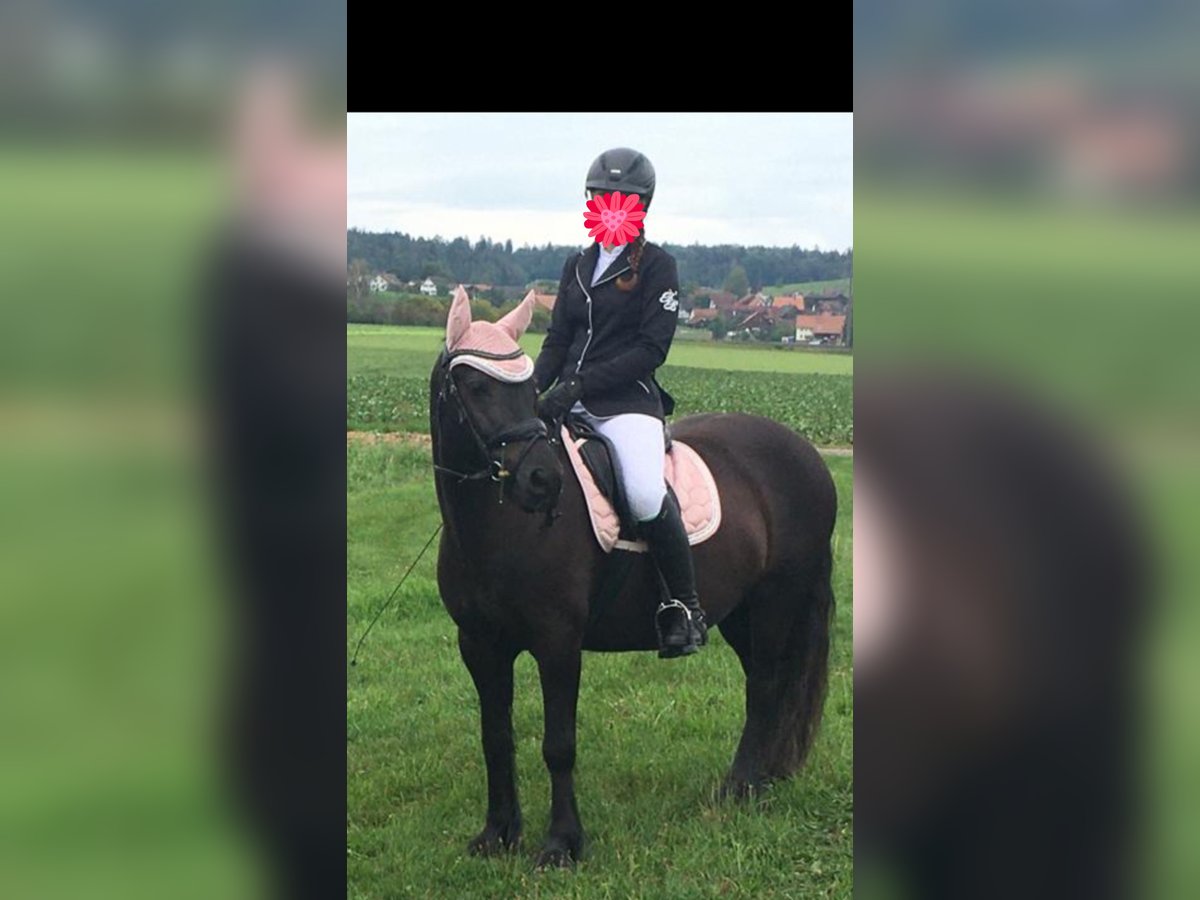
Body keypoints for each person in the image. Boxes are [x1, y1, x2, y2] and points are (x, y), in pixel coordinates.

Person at [532, 147, 707, 658]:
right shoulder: (577, 265)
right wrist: (533, 390)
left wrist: (580, 385)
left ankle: (684, 606)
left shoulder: (658, 267)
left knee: (645, 495)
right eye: (601, 197)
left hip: (625, 405)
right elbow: (558, 339)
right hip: (567, 402)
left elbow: (651, 350)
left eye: (621, 199)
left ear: (640, 206)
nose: (610, 206)